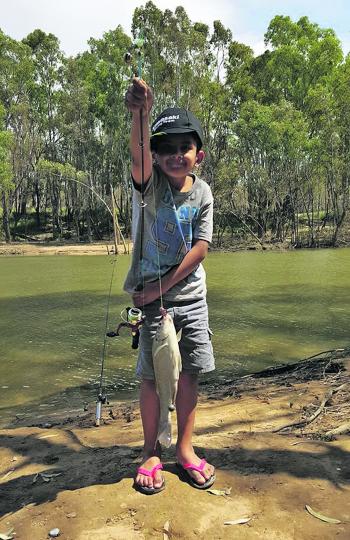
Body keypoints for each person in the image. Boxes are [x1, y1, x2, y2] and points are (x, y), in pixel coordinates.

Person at [124, 77, 216, 494]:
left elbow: (200, 248)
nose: (176, 154)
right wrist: (140, 116)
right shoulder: (150, 187)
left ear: (198, 154)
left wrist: (161, 285)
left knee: (189, 373)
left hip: (187, 296)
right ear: (157, 156)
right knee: (150, 377)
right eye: (167, 148)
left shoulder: (203, 194)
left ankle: (184, 448)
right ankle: (150, 449)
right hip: (150, 299)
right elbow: (138, 156)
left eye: (185, 147)